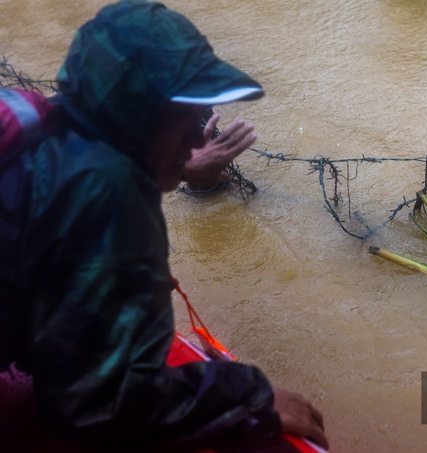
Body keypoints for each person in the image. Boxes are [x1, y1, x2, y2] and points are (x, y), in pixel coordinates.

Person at [0, 1, 328, 452]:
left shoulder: (41, 128)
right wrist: (251, 396)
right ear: (140, 112)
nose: (198, 138)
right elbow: (97, 404)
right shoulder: (108, 191)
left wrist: (181, 169)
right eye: (188, 117)